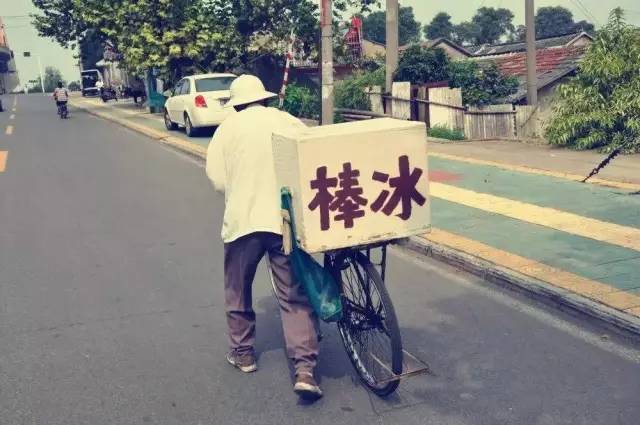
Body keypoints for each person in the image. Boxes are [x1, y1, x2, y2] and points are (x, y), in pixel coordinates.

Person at [205, 75, 323, 400]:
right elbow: (312, 156)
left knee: (237, 289)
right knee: (293, 296)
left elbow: (217, 180)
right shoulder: (287, 121)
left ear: (237, 103)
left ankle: (243, 355)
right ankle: (305, 371)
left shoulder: (226, 129)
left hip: (242, 223)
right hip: (282, 221)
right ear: (265, 98)